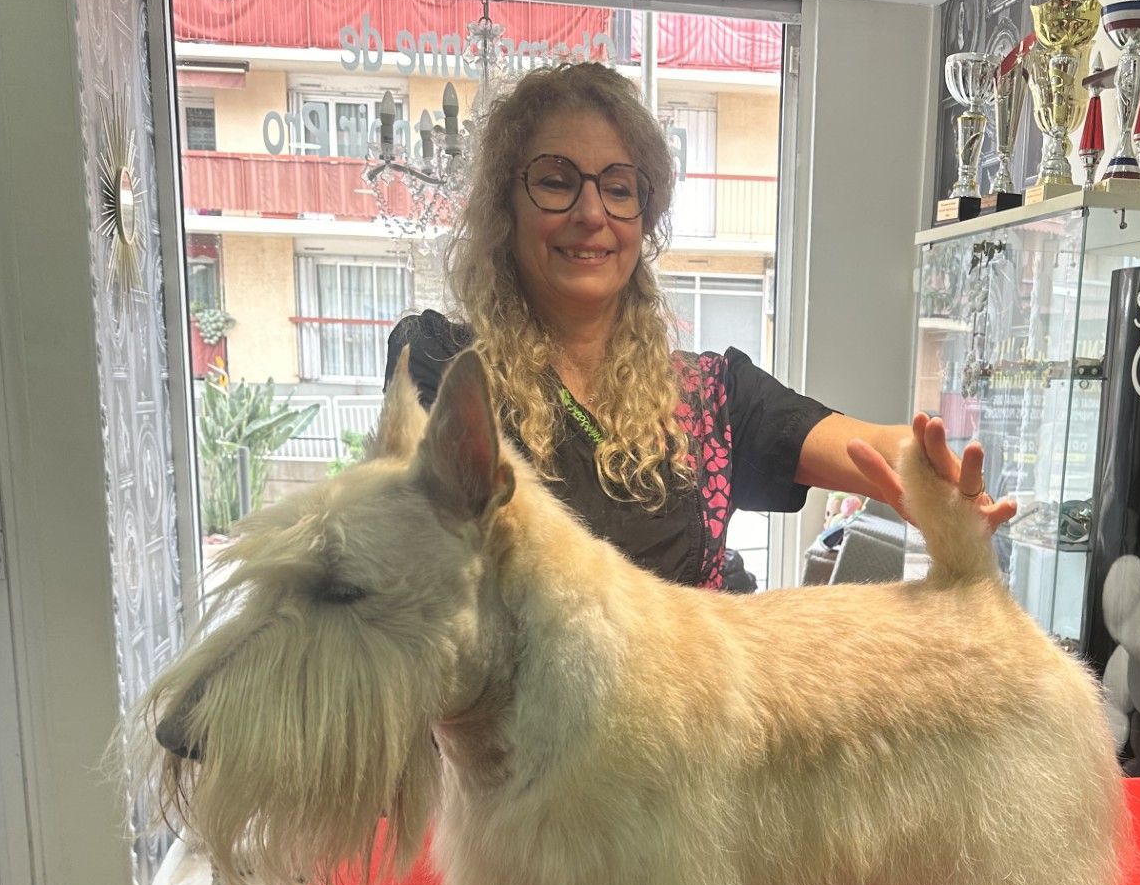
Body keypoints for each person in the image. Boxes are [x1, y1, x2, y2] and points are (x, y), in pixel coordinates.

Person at [386, 61, 1013, 591]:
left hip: (692, 731)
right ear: (506, 206)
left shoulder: (711, 397)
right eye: (556, 181)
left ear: (644, 215)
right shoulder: (444, 366)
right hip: (523, 738)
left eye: (619, 187)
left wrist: (932, 472)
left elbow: (866, 445)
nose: (591, 212)